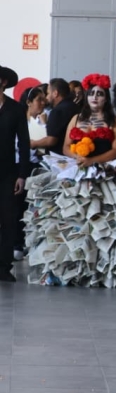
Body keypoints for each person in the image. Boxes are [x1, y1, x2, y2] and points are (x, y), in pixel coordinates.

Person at [24, 73, 116, 287]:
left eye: (100, 94)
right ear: (87, 96)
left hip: (107, 175)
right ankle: (75, 269)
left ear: (106, 98)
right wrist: (76, 157)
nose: (95, 97)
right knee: (75, 222)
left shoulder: (114, 121)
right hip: (78, 173)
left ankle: (108, 271)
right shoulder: (76, 119)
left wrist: (93, 160)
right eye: (92, 93)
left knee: (106, 225)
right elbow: (66, 145)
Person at [0, 65, 29, 282]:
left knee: (9, 220)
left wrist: (22, 175)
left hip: (8, 172)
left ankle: (4, 266)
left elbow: (25, 144)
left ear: (3, 83)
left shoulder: (15, 109)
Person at [15, 85, 48, 261]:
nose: (42, 103)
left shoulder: (43, 120)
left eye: (44, 100)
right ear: (28, 102)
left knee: (34, 207)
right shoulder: (20, 121)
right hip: (20, 165)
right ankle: (17, 243)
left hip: (38, 166)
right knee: (19, 205)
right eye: (38, 100)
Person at [36, 78, 78, 155]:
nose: (47, 97)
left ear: (55, 93)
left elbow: (51, 140)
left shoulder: (57, 111)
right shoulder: (75, 107)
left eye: (48, 93)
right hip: (73, 154)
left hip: (58, 158)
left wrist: (33, 143)